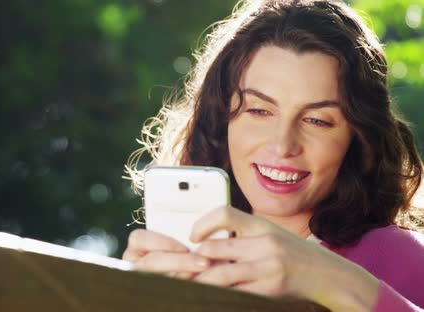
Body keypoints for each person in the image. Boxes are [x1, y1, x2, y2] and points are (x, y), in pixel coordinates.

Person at [122, 0, 424, 311]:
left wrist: (332, 280)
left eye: (317, 120)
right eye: (259, 110)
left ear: (358, 138)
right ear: (221, 120)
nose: (282, 146)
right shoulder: (190, 262)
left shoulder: (398, 257)